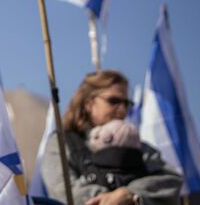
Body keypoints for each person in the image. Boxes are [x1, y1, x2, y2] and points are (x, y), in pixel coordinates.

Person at [42, 70, 183, 205]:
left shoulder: (139, 147)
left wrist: (130, 193)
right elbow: (63, 190)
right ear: (89, 104)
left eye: (126, 103)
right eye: (114, 101)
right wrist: (110, 200)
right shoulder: (62, 143)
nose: (122, 109)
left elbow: (170, 180)